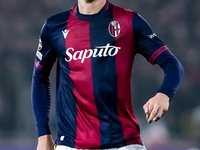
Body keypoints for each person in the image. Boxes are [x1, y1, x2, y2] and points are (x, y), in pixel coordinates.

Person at [31, 0, 184, 150]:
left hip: (123, 143)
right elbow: (39, 78)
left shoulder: (129, 21)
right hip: (70, 144)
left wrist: (164, 94)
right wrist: (43, 136)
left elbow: (172, 64)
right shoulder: (54, 26)